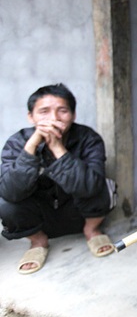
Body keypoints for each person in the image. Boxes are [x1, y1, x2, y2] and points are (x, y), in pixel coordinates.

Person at [0, 84, 115, 275]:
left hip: (77, 210)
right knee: (5, 202)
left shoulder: (88, 138)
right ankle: (38, 241)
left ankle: (92, 231)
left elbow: (90, 187)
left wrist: (58, 149)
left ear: (73, 114)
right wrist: (31, 148)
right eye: (44, 112)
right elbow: (10, 191)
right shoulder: (17, 142)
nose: (54, 119)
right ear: (31, 116)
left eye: (62, 111)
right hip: (41, 214)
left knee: (103, 185)